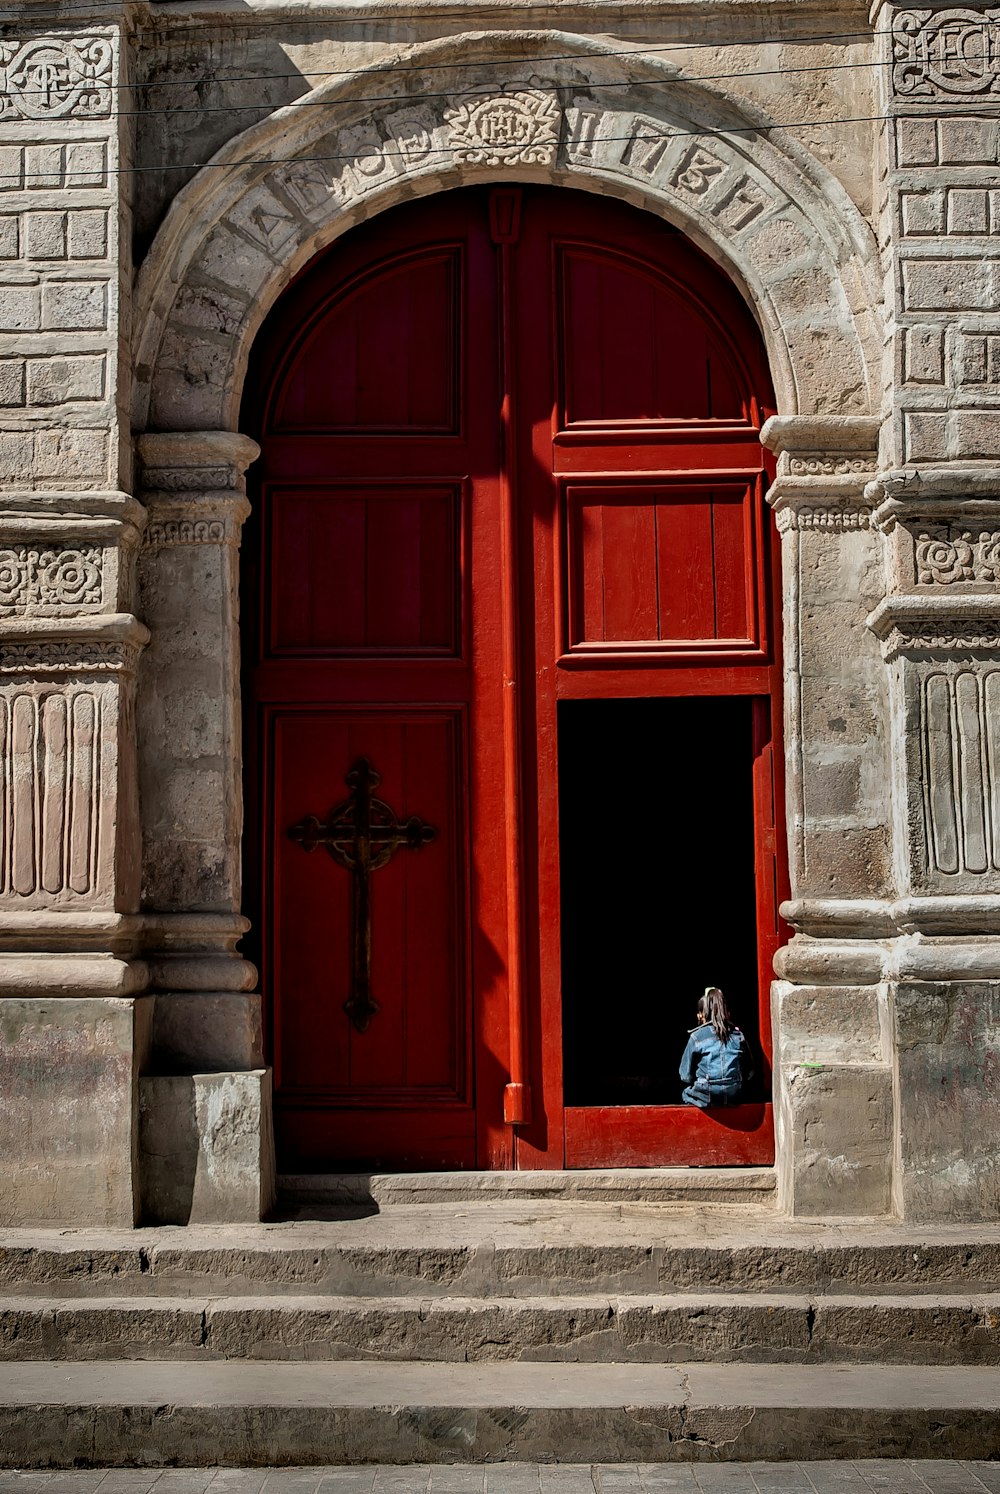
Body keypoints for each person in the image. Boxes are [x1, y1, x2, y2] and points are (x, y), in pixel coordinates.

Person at [679, 987, 753, 1108]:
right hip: (734, 1094)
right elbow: (750, 1072)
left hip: (707, 1095)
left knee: (685, 1094)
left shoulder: (696, 1037)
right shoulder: (738, 1035)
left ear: (703, 1013)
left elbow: (685, 1076)